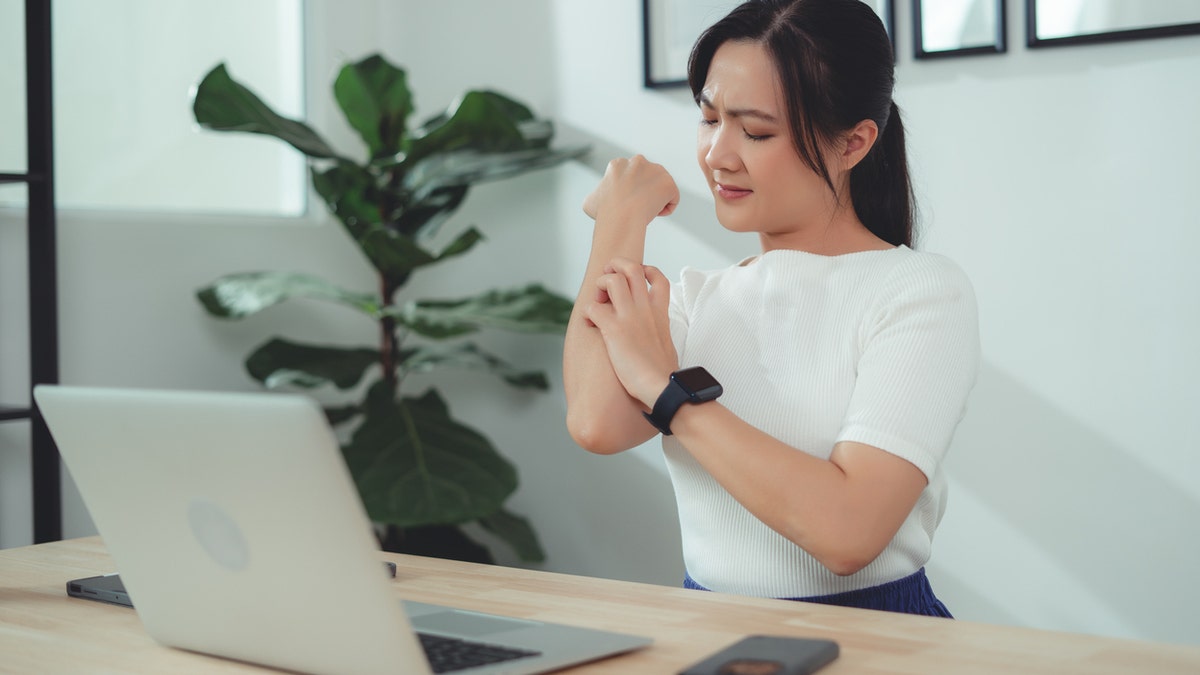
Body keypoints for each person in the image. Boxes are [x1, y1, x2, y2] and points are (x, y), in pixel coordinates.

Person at [561, 0, 979, 617]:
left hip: (876, 640)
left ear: (854, 143)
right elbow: (596, 424)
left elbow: (848, 532)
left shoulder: (918, 292)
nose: (717, 155)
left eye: (756, 131)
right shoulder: (696, 297)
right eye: (709, 119)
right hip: (714, 635)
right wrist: (621, 220)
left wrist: (667, 392)